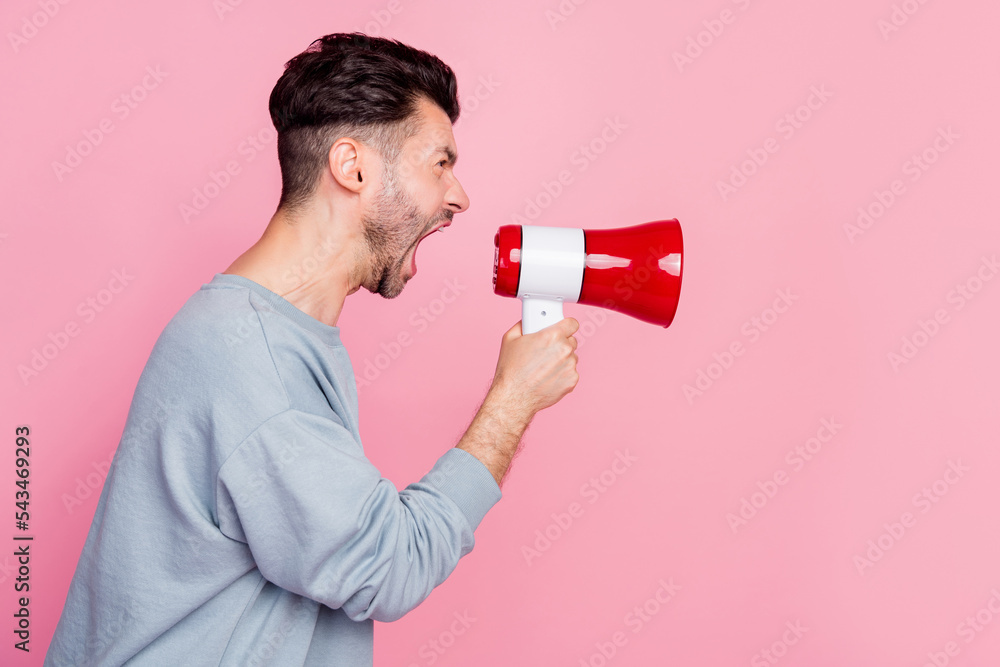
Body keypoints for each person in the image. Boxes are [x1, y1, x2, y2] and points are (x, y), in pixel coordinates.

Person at [45, 32, 579, 666]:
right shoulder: (255, 362)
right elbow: (389, 565)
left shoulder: (261, 332)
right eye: (440, 163)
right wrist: (513, 400)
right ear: (352, 167)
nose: (459, 196)